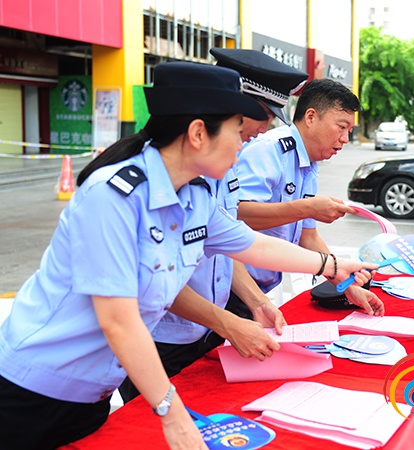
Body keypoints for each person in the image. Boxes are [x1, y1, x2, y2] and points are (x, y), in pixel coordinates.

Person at [0, 61, 376, 450]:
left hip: (94, 390)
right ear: (198, 133)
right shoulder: (113, 198)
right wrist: (171, 411)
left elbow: (250, 243)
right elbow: (118, 321)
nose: (245, 144)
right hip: (32, 388)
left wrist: (333, 266)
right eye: (236, 132)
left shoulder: (195, 194)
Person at [119, 48, 311, 403]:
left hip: (201, 328)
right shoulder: (125, 193)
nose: (249, 138)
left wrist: (256, 302)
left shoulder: (202, 178)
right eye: (242, 126)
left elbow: (236, 242)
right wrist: (226, 322)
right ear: (199, 130)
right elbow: (157, 286)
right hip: (152, 340)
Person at [226, 77, 385, 324]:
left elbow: (307, 236)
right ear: (311, 117)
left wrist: (349, 287)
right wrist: (307, 208)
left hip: (258, 288)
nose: (345, 138)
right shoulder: (269, 150)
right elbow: (238, 213)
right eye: (341, 127)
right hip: (232, 288)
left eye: (350, 131)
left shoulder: (309, 163)